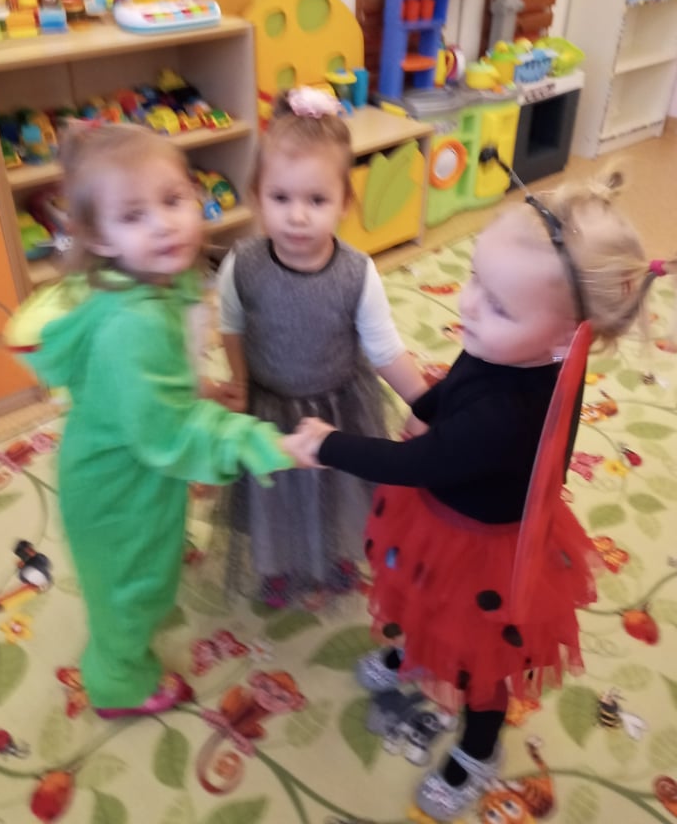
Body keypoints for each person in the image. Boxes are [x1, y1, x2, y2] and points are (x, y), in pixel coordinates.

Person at [285, 174, 673, 820]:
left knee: (480, 660)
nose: (466, 305)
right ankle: (417, 652)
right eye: (472, 279)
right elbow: (458, 380)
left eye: (498, 306)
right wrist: (427, 404)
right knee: (419, 595)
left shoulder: (508, 414)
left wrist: (330, 444)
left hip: (483, 548)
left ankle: (480, 747)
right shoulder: (511, 349)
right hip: (441, 523)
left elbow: (416, 463)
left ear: (566, 339)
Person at [5, 123, 293, 719]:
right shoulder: (131, 322)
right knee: (127, 595)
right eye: (134, 215)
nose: (163, 224)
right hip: (116, 489)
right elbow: (169, 434)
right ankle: (118, 685)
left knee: (147, 564)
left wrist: (197, 387)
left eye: (173, 199)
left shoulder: (144, 280)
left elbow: (146, 388)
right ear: (98, 236)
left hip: (128, 465)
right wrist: (252, 440)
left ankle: (148, 592)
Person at [216, 87, 427, 607]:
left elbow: (384, 349)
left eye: (317, 200)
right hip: (268, 406)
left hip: (338, 407)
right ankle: (278, 563)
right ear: (257, 195)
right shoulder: (242, 264)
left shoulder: (357, 273)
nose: (297, 217)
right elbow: (231, 325)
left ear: (344, 203)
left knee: (337, 491)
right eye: (280, 198)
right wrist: (239, 380)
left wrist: (427, 404)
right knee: (273, 494)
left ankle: (335, 554)